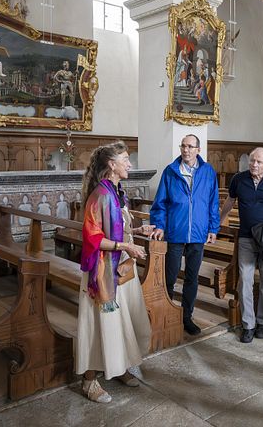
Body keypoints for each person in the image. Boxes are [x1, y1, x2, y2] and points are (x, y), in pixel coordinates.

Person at [77, 141, 154, 403]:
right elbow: (93, 239)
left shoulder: (117, 191)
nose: (130, 164)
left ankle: (118, 366)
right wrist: (126, 246)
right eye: (125, 160)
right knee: (100, 325)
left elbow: (118, 226)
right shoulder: (100, 195)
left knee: (122, 322)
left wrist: (137, 231)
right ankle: (89, 381)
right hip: (102, 273)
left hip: (120, 268)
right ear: (112, 165)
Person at [150, 134, 220, 336]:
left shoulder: (208, 172)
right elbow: (160, 203)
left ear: (198, 149)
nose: (186, 150)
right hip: (175, 232)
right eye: (183, 146)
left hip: (198, 234)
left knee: (192, 277)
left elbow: (212, 203)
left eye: (190, 146)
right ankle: (166, 314)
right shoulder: (171, 171)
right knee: (169, 277)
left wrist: (213, 228)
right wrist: (160, 225)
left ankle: (186, 317)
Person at [219, 147, 263, 343]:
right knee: (245, 281)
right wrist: (218, 222)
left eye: (259, 162)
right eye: (252, 161)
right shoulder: (239, 179)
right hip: (246, 238)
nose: (254, 165)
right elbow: (230, 201)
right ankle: (248, 324)